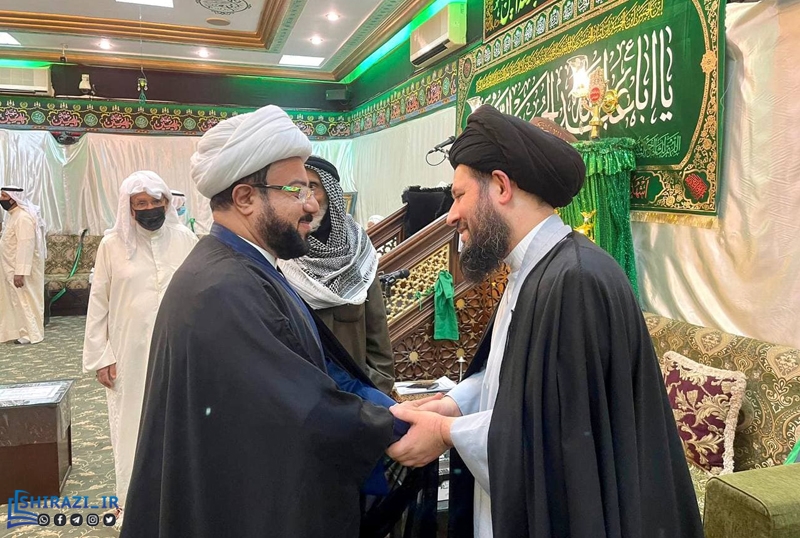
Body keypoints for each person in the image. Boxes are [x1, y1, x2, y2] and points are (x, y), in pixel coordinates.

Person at [387, 105, 703, 538]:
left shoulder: (575, 281)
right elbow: (516, 379)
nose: (451, 215)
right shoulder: (534, 270)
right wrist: (455, 404)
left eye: (459, 196)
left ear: (501, 186)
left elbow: (562, 440)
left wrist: (445, 432)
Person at [121, 105, 401, 538]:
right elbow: (300, 409)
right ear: (245, 198)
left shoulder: (245, 268)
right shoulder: (224, 288)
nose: (311, 205)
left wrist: (391, 409)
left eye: (311, 190)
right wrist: (396, 428)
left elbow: (312, 368)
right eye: (296, 190)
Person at [82, 171, 198, 515]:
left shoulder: (186, 239)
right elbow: (98, 303)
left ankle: (178, 504)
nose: (149, 209)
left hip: (179, 349)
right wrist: (102, 356)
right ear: (129, 208)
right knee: (132, 423)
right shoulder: (111, 245)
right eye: (141, 203)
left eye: (155, 201)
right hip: (128, 352)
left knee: (179, 422)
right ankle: (132, 505)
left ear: (167, 202)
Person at [278, 156, 394, 394]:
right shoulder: (282, 251)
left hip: (355, 394)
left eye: (313, 187)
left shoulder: (358, 249)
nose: (306, 198)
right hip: (300, 394)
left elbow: (377, 334)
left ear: (331, 194)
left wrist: (374, 391)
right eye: (299, 188)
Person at [0, 186, 46, 344]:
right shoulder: (13, 215)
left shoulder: (23, 218)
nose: (1, 199)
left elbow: (26, 246)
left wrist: (20, 272)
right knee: (15, 301)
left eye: (4, 196)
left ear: (14, 198)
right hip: (10, 268)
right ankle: (18, 331)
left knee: (25, 300)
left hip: (20, 271)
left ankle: (30, 334)